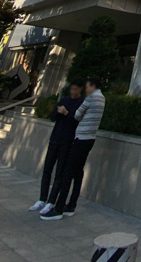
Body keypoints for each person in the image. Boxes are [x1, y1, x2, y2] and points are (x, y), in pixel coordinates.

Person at [40, 76, 105, 220]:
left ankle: (58, 208)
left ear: (93, 86)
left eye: (87, 86)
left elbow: (76, 115)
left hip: (81, 138)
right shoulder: (102, 98)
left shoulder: (90, 98)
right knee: (78, 172)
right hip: (90, 138)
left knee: (67, 172)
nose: (86, 89)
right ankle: (71, 205)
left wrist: (66, 112)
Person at [29, 79, 84, 214]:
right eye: (71, 89)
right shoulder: (64, 100)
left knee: (60, 172)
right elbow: (52, 117)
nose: (73, 92)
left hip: (67, 141)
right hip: (55, 138)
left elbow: (76, 122)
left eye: (75, 89)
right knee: (47, 169)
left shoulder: (81, 103)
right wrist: (58, 112)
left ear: (80, 89)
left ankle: (51, 201)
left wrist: (66, 113)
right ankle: (42, 198)